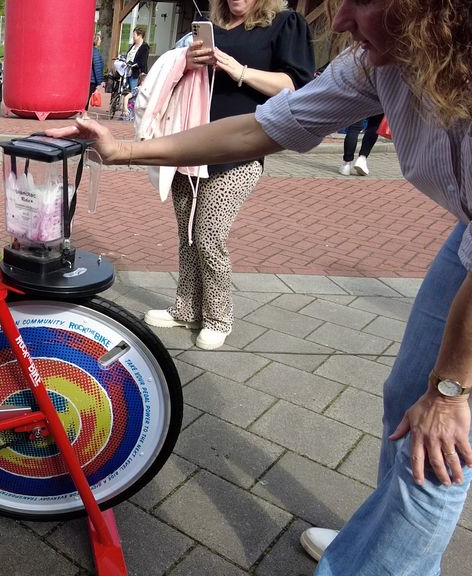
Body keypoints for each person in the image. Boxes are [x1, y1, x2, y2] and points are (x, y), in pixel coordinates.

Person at [48, 0, 471, 572]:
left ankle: (377, 563)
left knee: (440, 437)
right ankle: (372, 540)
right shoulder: (380, 63)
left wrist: (451, 391)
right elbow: (260, 126)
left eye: (363, 2)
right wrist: (124, 150)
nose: (339, 21)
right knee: (406, 396)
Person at [150, 0, 314, 350]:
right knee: (187, 235)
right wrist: (188, 61)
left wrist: (239, 71)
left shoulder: (284, 23)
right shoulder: (213, 25)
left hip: (241, 148)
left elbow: (294, 86)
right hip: (193, 141)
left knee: (209, 236)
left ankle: (218, 317)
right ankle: (186, 309)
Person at [120, 27, 151, 118]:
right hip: (128, 72)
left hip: (137, 74)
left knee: (134, 93)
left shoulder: (144, 47)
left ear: (140, 35)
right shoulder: (133, 46)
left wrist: (134, 64)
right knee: (127, 92)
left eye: (134, 35)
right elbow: (129, 56)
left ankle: (134, 114)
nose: (133, 36)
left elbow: (142, 62)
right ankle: (126, 111)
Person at [89, 33, 104, 108]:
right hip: (92, 80)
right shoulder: (95, 52)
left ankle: (84, 112)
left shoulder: (90, 50)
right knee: (88, 96)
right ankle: (84, 112)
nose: (100, 41)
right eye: (100, 40)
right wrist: (99, 82)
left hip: (89, 78)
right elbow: (97, 67)